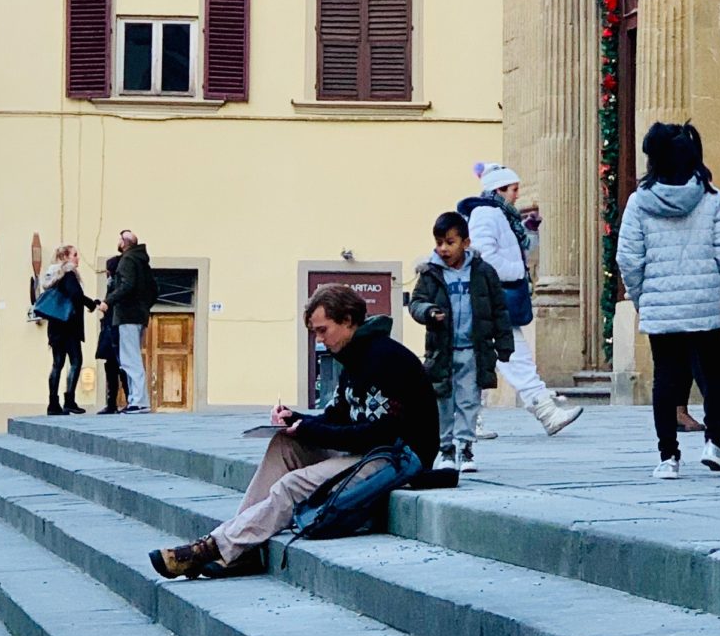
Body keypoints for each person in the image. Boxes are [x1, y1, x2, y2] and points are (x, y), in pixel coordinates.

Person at [149, 284, 439, 580]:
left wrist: (311, 429)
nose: (319, 339)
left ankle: (211, 548)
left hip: (397, 459)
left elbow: (379, 434)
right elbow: (337, 417)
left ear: (349, 320)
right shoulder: (353, 359)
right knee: (283, 445)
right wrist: (295, 420)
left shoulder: (385, 358)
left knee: (292, 485)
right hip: (369, 451)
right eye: (315, 332)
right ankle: (240, 549)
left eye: (323, 330)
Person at [615, 121, 720, 479]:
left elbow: (629, 258)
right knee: (714, 374)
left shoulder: (639, 203)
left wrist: (640, 296)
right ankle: (714, 443)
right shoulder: (712, 197)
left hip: (660, 304)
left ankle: (668, 456)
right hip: (705, 302)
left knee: (666, 378)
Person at [458, 163, 583, 436]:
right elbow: (485, 256)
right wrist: (517, 273)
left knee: (483, 359)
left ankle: (469, 419)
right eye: (513, 189)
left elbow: (516, 251)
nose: (517, 195)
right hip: (493, 298)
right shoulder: (486, 214)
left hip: (493, 299)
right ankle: (545, 412)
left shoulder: (500, 215)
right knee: (513, 355)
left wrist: (530, 232)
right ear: (499, 189)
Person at [409, 211, 514, 473]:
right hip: (441, 350)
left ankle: (465, 447)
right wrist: (430, 312)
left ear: (466, 243)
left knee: (469, 400)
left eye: (449, 242)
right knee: (443, 400)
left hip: (472, 350)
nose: (443, 249)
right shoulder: (430, 274)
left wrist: (504, 345)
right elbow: (416, 303)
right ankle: (445, 449)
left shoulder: (483, 273)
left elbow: (499, 310)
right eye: (439, 242)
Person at [98, 230, 155, 414]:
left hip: (127, 315)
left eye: (120, 238)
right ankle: (136, 400)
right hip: (138, 315)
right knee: (132, 357)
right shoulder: (142, 261)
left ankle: (138, 401)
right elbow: (155, 289)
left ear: (124, 242)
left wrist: (109, 301)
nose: (118, 241)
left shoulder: (127, 260)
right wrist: (144, 307)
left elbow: (126, 285)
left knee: (130, 359)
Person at [40, 245, 98, 415]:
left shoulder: (54, 276)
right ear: (66, 256)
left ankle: (53, 403)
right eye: (75, 254)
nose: (78, 258)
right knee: (76, 361)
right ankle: (69, 400)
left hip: (55, 326)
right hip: (69, 326)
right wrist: (91, 304)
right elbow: (76, 295)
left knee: (57, 364)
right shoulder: (68, 274)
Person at [96, 254, 129, 414]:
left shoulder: (116, 286)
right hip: (110, 330)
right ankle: (112, 403)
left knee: (121, 366)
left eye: (108, 271)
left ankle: (126, 400)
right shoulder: (113, 285)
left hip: (114, 330)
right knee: (112, 367)